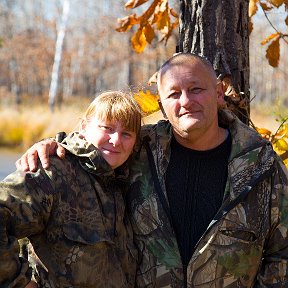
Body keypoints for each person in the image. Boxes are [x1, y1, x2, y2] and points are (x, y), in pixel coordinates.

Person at [17, 53, 288, 287]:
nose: (185, 101)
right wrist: (57, 146)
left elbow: (282, 252)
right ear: (161, 105)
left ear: (218, 94)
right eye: (173, 93)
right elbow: (94, 148)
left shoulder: (261, 164)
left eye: (196, 89)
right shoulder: (137, 149)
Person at [0, 91, 142, 287]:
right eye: (107, 128)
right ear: (84, 126)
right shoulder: (53, 171)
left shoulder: (124, 181)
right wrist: (19, 283)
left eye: (126, 133)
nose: (116, 140)